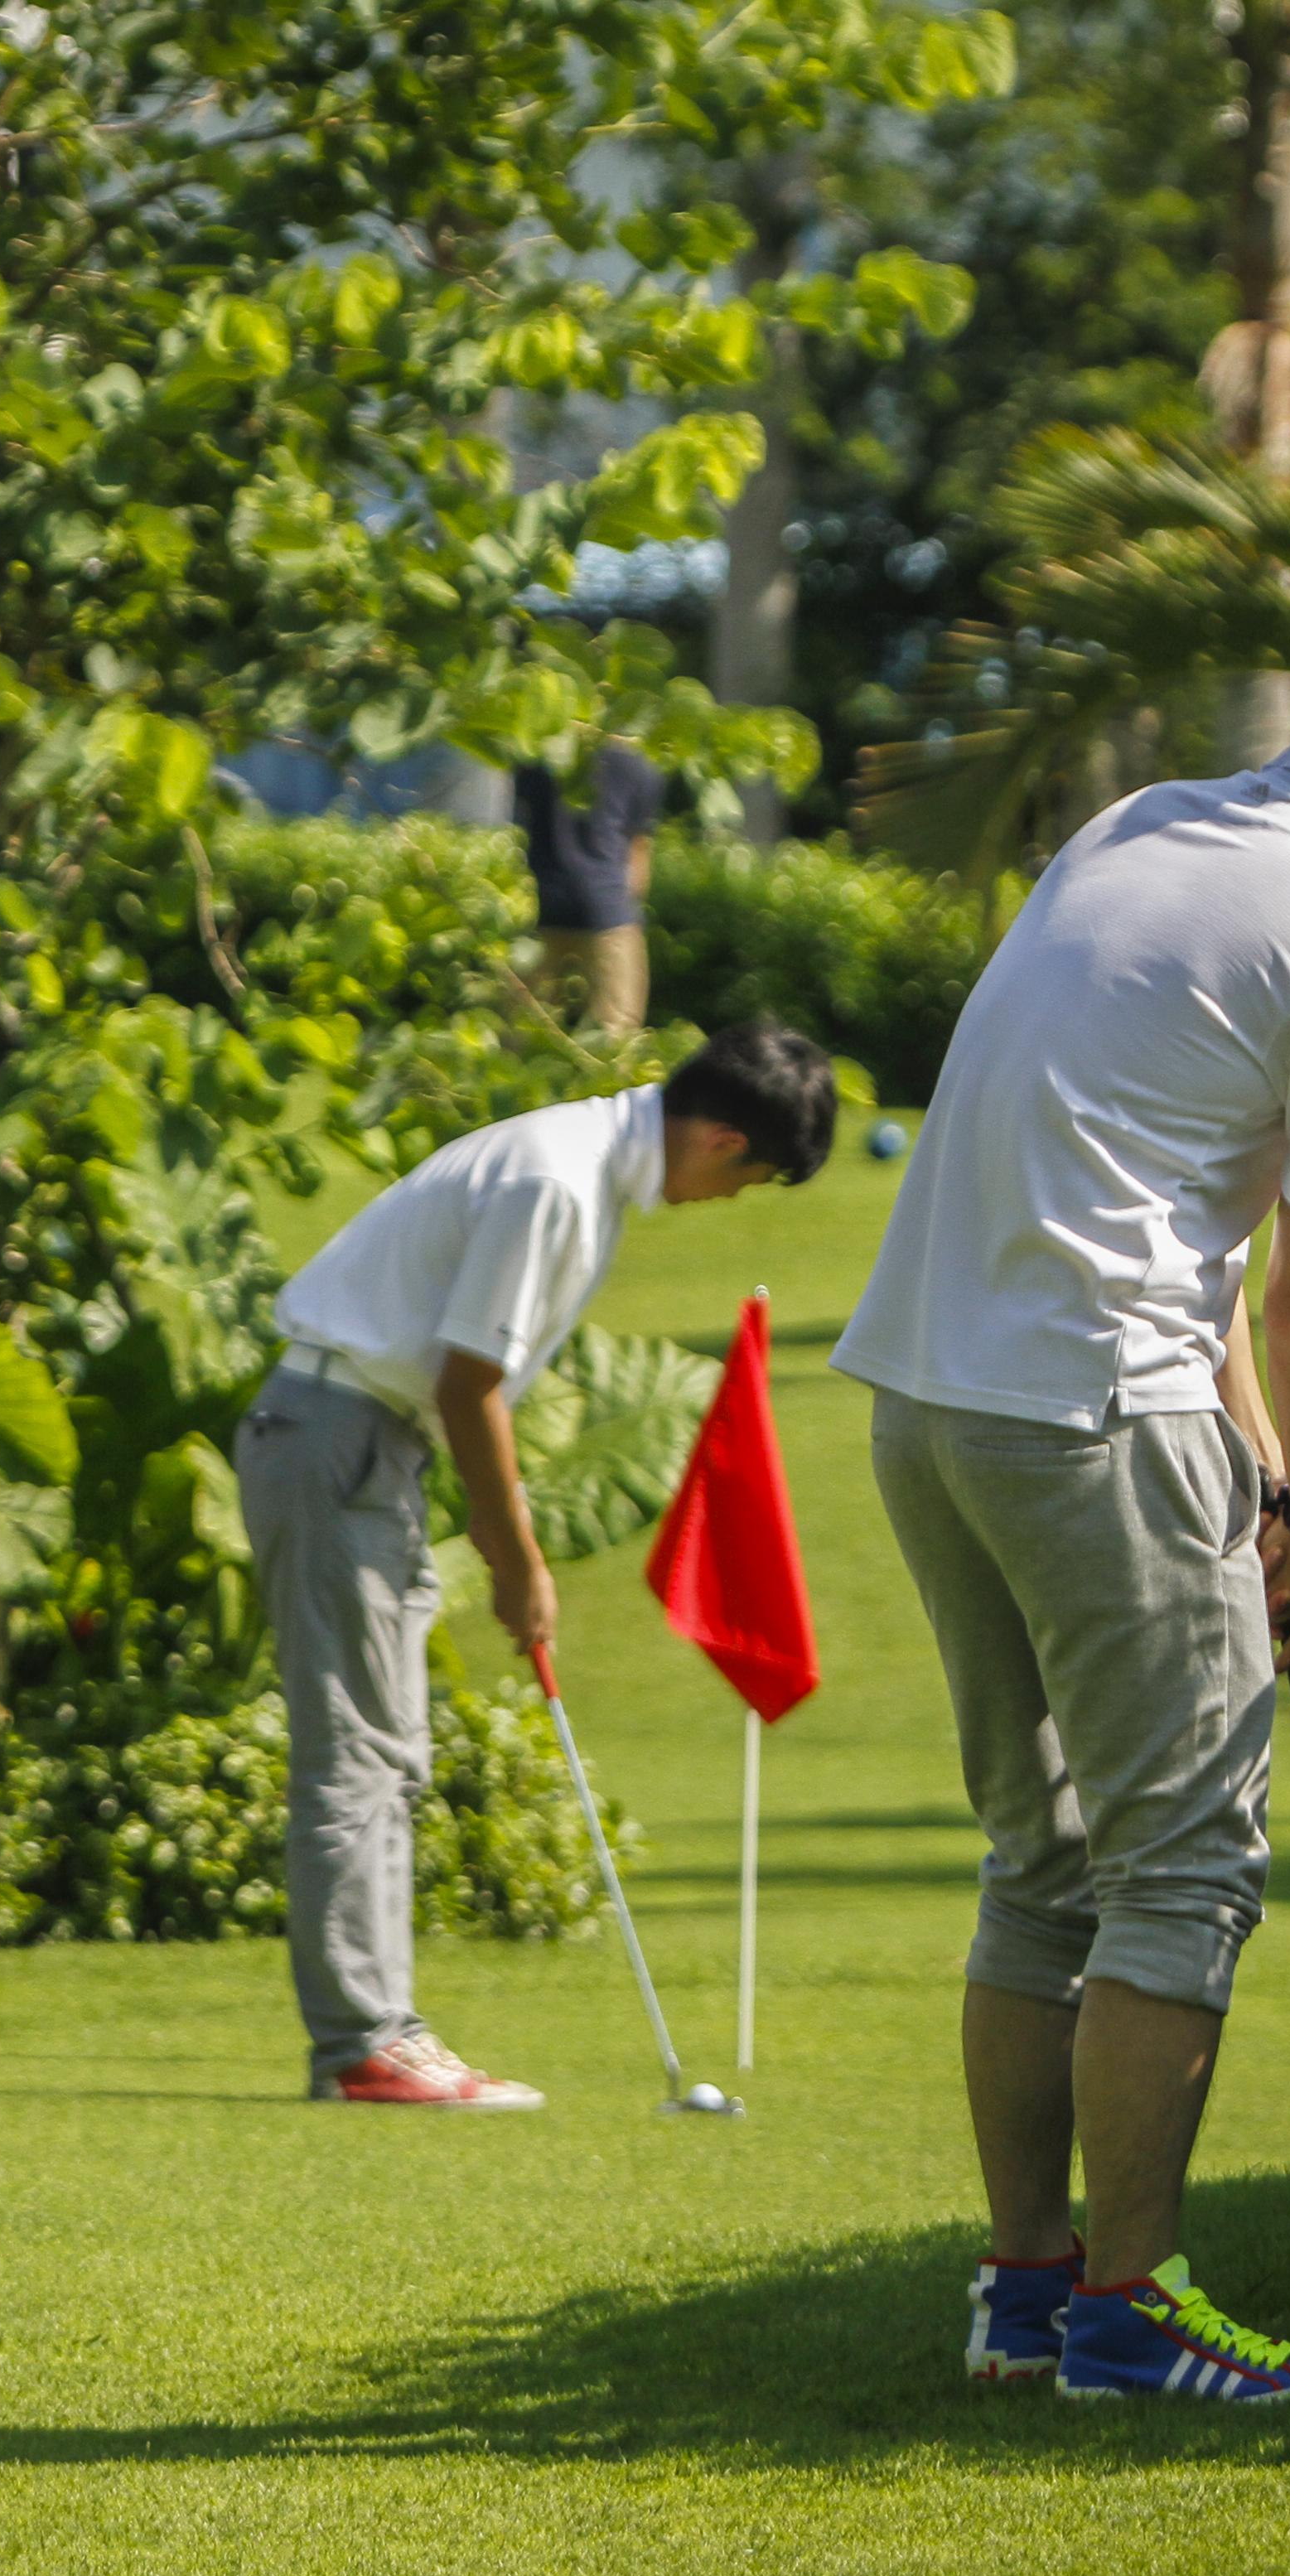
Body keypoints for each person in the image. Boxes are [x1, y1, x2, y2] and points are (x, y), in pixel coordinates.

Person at [830, 540, 1290, 2398]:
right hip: (1094, 1410)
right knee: (1181, 1868)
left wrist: (1266, 1483)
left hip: (932, 1395)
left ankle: (1024, 2292)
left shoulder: (1147, 823)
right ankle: (1133, 2316)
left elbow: (1188, 1215)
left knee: (1042, 1858)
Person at [244, 1020, 838, 2106]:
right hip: (338, 1432)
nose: (729, 1200)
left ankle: (378, 2034)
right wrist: (517, 1562)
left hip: (362, 1437)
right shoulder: (559, 1183)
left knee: (387, 1744)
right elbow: (470, 1382)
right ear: (717, 1138)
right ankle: (365, 2046)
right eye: (747, 1179)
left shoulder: (580, 1165)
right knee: (359, 1750)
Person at [510, 741, 664, 1033]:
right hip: (608, 912)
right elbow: (638, 855)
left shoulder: (537, 757)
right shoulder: (641, 765)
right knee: (616, 1038)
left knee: (522, 1034)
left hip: (538, 909)